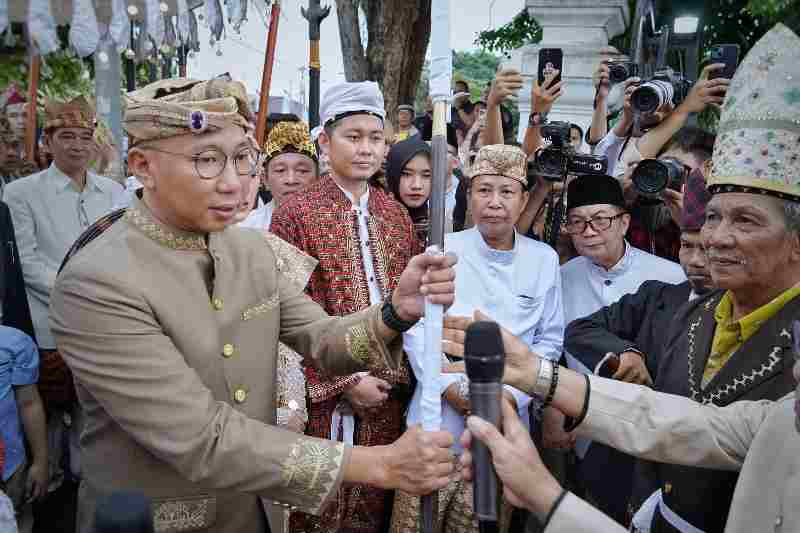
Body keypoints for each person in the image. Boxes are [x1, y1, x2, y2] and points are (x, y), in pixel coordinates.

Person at [49, 77, 458, 533]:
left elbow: (323, 339)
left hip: (255, 513)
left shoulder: (251, 251)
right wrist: (377, 465)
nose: (233, 183)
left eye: (243, 159)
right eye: (206, 161)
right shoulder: (95, 282)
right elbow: (202, 438)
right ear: (143, 167)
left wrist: (395, 312)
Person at [445, 23, 800, 533]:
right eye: (712, 218)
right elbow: (677, 424)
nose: (716, 238)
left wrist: (543, 486)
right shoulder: (678, 305)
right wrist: (535, 373)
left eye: (744, 221)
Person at [270, 81, 422, 533]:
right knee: (320, 512)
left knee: (372, 512)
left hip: (390, 395)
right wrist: (346, 381)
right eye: (352, 137)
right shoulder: (294, 213)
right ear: (324, 141)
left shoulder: (395, 214)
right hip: (327, 400)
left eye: (375, 138)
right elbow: (288, 310)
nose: (365, 149)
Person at [390, 144, 564, 533]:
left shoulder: (543, 259)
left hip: (503, 429)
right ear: (469, 196)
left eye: (506, 192)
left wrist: (505, 397)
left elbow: (549, 342)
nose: (494, 202)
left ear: (523, 200)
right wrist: (457, 391)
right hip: (437, 420)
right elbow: (418, 331)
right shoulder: (446, 249)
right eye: (484, 190)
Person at [562, 170, 712, 525]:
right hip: (590, 429)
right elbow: (570, 333)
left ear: (624, 222)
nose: (589, 230)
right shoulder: (561, 274)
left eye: (600, 220)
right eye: (578, 222)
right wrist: (626, 353)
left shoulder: (666, 275)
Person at [4, 95, 124, 533]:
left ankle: (87, 505)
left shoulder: (112, 193)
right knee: (46, 426)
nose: (77, 146)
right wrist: (83, 290)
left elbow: (122, 252)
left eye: (84, 137)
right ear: (47, 142)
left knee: (96, 422)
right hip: (48, 327)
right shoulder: (21, 193)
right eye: (66, 136)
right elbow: (28, 262)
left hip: (105, 325)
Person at [0, 326, 47, 533]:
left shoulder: (14, 343)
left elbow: (29, 404)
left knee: (15, 520)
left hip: (10, 466)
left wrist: (41, 461)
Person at [240, 121, 318, 230]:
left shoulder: (336, 227)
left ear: (317, 180)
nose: (291, 180)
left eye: (302, 171)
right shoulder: (246, 228)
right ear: (265, 180)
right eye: (280, 171)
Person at [385, 137, 432, 242]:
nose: (416, 185)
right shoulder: (373, 223)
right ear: (393, 175)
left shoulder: (440, 224)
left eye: (426, 175)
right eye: (406, 174)